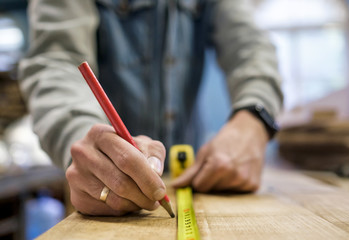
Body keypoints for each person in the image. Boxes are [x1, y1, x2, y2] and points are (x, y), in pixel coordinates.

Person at [19, 0, 283, 216]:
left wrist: (254, 118)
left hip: (195, 178)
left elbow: (252, 48)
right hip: (98, 194)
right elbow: (55, 63)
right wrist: (89, 145)